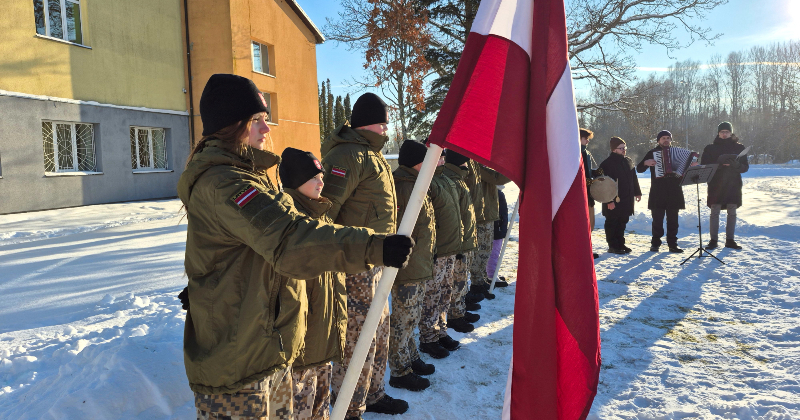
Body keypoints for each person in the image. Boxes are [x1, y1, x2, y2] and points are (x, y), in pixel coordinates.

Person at [178, 74, 413, 420]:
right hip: (239, 365)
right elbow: (290, 239)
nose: (266, 128)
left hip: (261, 348)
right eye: (255, 120)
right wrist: (372, 246)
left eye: (264, 118)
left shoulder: (245, 176)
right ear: (230, 125)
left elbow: (241, 252)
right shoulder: (225, 183)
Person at [320, 93, 407, 418]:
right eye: (382, 122)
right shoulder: (347, 156)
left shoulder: (372, 155)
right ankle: (349, 406)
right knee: (358, 339)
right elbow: (325, 212)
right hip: (355, 265)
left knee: (379, 331)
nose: (386, 128)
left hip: (377, 263)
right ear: (366, 123)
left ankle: (373, 393)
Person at [278, 147, 344, 420]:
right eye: (313, 177)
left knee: (320, 408)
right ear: (295, 181)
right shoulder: (288, 221)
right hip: (301, 347)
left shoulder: (321, 215)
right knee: (300, 409)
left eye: (322, 177)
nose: (321, 183)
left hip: (322, 338)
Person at [387, 140, 436, 392]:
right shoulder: (404, 187)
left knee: (411, 317)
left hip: (418, 264)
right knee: (403, 320)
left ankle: (411, 356)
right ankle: (400, 371)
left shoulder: (415, 184)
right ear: (419, 163)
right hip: (408, 267)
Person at [419, 148, 466, 360]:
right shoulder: (426, 182)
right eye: (438, 157)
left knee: (445, 293)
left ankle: (441, 331)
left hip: (450, 249)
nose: (442, 160)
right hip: (436, 252)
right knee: (432, 295)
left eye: (443, 157)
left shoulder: (445, 180)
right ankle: (428, 338)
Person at [441, 151, 480, 333]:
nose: (467, 165)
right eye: (465, 161)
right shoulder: (451, 179)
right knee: (456, 282)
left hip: (466, 239)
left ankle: (460, 311)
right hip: (459, 242)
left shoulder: (458, 178)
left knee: (462, 280)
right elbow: (454, 216)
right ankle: (455, 316)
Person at [466, 160, 512, 299]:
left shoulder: (479, 166)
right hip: (480, 216)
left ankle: (480, 282)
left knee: (485, 252)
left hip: (487, 215)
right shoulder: (473, 165)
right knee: (479, 253)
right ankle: (476, 284)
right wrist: (514, 168)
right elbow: (497, 178)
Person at [701, 122, 749, 250]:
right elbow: (704, 165)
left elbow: (745, 167)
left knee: (732, 212)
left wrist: (735, 165)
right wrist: (720, 165)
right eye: (722, 131)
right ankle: (713, 240)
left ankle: (730, 240)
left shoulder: (739, 148)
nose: (724, 134)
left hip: (733, 184)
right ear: (718, 133)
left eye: (727, 132)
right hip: (716, 184)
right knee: (714, 212)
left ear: (731, 133)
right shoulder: (710, 148)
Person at [637, 130, 687, 253]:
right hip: (658, 191)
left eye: (668, 138)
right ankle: (655, 243)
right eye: (663, 138)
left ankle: (672, 244)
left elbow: (686, 166)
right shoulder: (652, 153)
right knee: (657, 219)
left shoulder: (678, 152)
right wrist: (646, 162)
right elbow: (639, 169)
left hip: (674, 190)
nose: (666, 140)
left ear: (671, 140)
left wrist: (692, 164)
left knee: (673, 220)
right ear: (658, 140)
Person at [599, 137, 642, 254]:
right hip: (612, 199)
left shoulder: (628, 161)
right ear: (614, 150)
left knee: (622, 221)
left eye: (625, 147)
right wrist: (609, 201)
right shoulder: (606, 164)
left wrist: (637, 192)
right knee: (612, 222)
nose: (624, 150)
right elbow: (603, 185)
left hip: (626, 198)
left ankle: (620, 244)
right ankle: (613, 246)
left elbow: (633, 178)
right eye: (621, 148)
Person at [580, 128, 601, 259]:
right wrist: (584, 181)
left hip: (588, 192)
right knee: (581, 223)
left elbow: (586, 172)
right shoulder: (574, 152)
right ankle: (582, 250)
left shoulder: (586, 152)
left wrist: (594, 173)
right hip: (580, 194)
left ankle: (586, 249)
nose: (587, 141)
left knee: (589, 222)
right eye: (585, 138)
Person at [486, 186, 508, 280]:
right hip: (496, 228)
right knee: (493, 253)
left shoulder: (497, 193)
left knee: (494, 252)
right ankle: (491, 275)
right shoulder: (495, 193)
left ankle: (491, 273)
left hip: (498, 227)